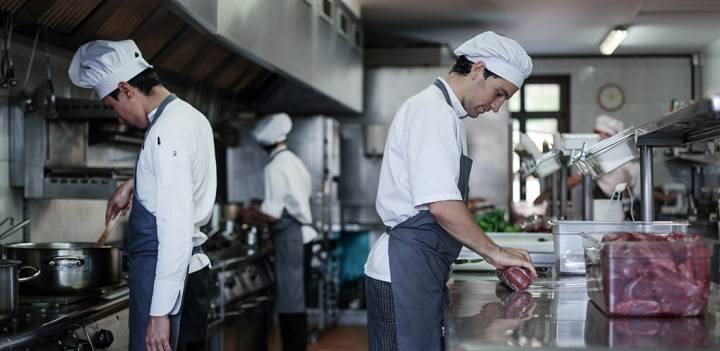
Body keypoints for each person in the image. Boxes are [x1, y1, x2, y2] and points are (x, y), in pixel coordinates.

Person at [363, 31, 537, 351]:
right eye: (499, 93)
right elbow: (442, 206)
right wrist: (494, 253)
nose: (497, 107)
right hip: (403, 273)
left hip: (419, 270)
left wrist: (496, 250)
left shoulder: (447, 115)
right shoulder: (432, 113)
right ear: (477, 69)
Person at [69, 40, 217, 351]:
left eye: (114, 107)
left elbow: (175, 228)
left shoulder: (166, 132)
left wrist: (160, 313)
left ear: (125, 88)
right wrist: (133, 184)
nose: (119, 118)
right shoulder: (189, 117)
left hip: (165, 278)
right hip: (189, 274)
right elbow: (179, 181)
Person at [243, 113, 318, 351]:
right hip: (302, 236)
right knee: (296, 300)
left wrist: (252, 214)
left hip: (290, 237)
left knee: (290, 302)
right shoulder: (294, 161)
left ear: (264, 144)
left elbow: (274, 214)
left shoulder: (274, 167)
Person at [534, 115, 636, 204]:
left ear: (609, 136)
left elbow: (575, 180)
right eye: (595, 133)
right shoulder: (616, 152)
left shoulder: (607, 154)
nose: (595, 137)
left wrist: (548, 193)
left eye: (599, 133)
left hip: (611, 204)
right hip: (613, 202)